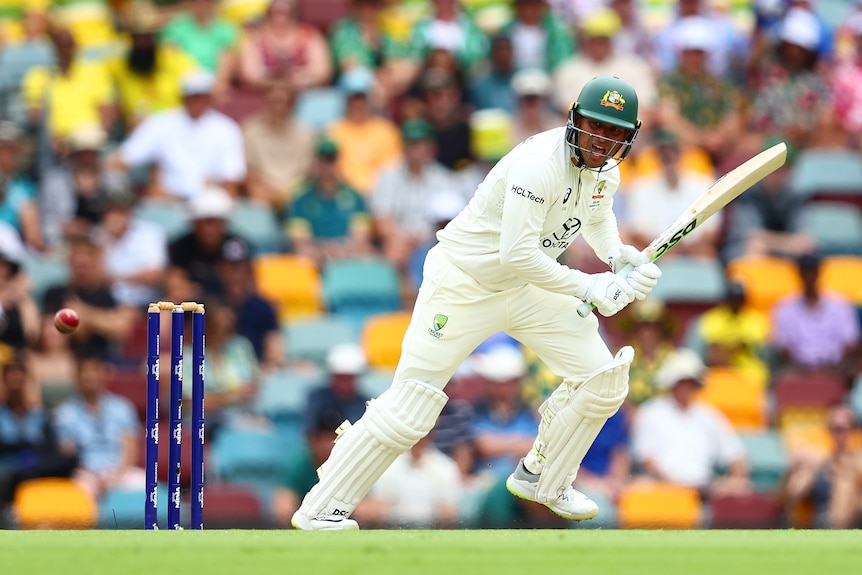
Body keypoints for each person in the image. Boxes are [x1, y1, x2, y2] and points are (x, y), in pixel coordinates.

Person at [290, 75, 663, 530]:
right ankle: (321, 508)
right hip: (464, 283)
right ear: (575, 119)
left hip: (525, 288)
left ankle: (543, 477)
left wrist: (616, 255)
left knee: (602, 380)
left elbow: (597, 216)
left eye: (614, 132)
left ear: (629, 136)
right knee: (411, 406)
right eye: (595, 126)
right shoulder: (537, 165)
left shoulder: (606, 171)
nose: (602, 140)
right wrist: (589, 287)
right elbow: (518, 254)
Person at [631, 348, 751, 498]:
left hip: (703, 490)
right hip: (661, 489)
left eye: (691, 383)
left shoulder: (709, 416)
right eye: (682, 382)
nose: (686, 388)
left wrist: (737, 479)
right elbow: (646, 458)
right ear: (672, 383)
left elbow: (735, 454)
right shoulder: (651, 412)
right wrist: (677, 486)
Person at [779, 404, 862, 529]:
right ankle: (792, 522)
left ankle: (836, 528)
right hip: (812, 518)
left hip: (847, 521)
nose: (837, 434)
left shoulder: (857, 458)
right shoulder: (819, 456)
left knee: (845, 481)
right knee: (803, 473)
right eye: (833, 428)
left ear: (852, 430)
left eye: (841, 429)